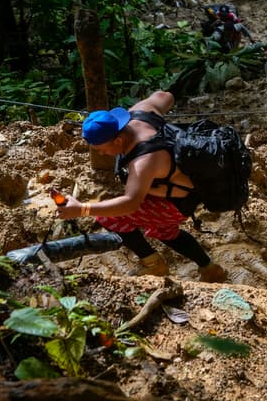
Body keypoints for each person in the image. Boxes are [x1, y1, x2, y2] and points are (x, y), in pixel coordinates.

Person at [54, 93, 226, 281]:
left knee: (110, 217)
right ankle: (209, 268)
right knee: (166, 232)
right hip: (180, 187)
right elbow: (166, 96)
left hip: (178, 202)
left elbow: (130, 204)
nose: (103, 154)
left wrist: (82, 209)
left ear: (118, 140)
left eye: (102, 149)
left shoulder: (143, 161)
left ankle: (152, 264)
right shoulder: (141, 112)